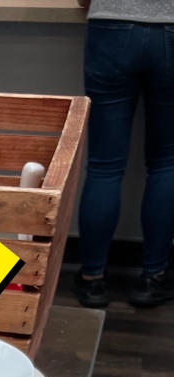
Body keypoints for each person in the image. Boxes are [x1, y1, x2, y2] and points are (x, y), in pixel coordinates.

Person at [74, 0, 174, 308]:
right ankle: (153, 277)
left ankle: (93, 280)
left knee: (104, 167)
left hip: (110, 28)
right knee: (166, 162)